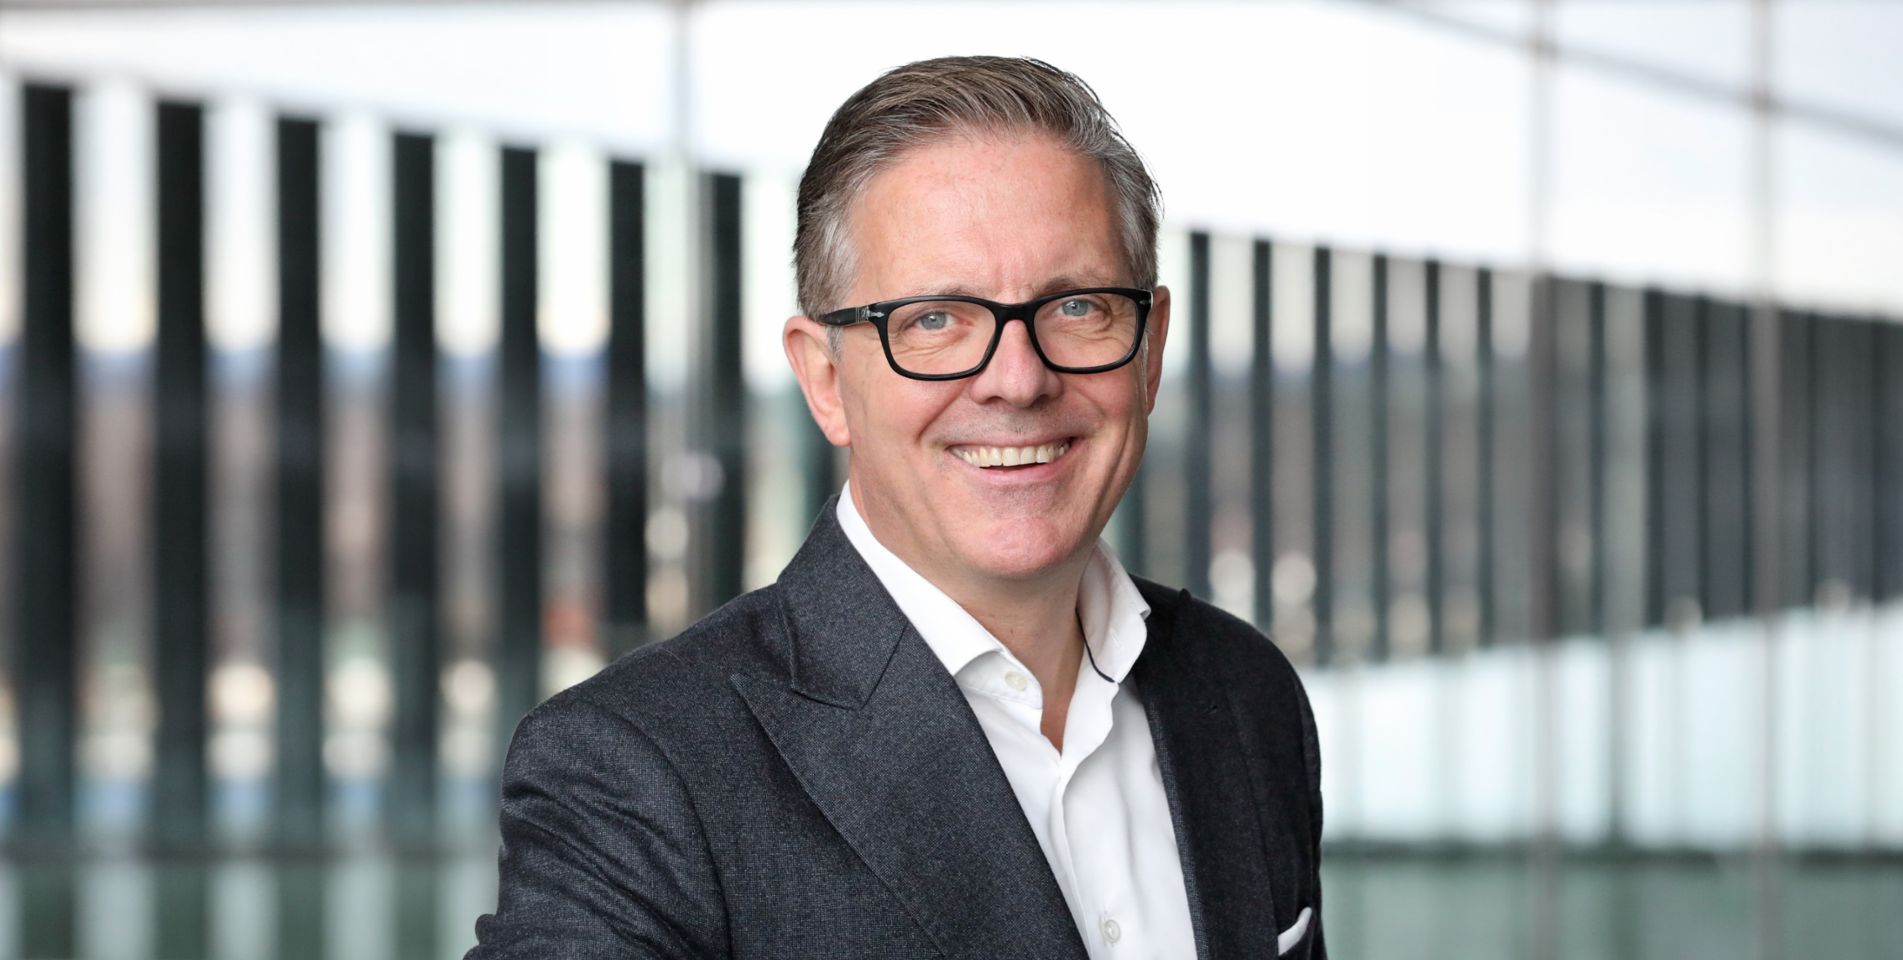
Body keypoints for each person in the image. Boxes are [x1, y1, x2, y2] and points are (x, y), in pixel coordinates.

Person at [468, 55, 1325, 960]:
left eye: (1076, 306)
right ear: (824, 380)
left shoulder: (1245, 694)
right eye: (934, 320)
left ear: (1147, 353)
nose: (1019, 380)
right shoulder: (636, 772)